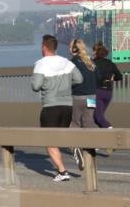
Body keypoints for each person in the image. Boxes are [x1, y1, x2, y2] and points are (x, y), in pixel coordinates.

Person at [32, 34, 83, 182]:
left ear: (44, 47)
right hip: (67, 105)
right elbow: (79, 79)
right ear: (55, 47)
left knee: (50, 141)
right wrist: (66, 86)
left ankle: (62, 171)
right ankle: (75, 147)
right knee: (62, 134)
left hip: (50, 106)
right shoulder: (66, 62)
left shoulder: (41, 64)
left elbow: (35, 86)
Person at [69, 39, 99, 170]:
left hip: (78, 97)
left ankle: (76, 148)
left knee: (75, 123)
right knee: (89, 122)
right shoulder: (91, 62)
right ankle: (91, 148)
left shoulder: (72, 63)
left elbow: (70, 80)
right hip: (92, 97)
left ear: (74, 49)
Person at [91, 42, 122, 129]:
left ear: (96, 52)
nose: (92, 53)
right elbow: (119, 77)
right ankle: (103, 138)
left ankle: (111, 133)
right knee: (97, 117)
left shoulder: (92, 63)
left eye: (93, 51)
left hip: (95, 94)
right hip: (108, 93)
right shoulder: (110, 63)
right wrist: (112, 79)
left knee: (96, 117)